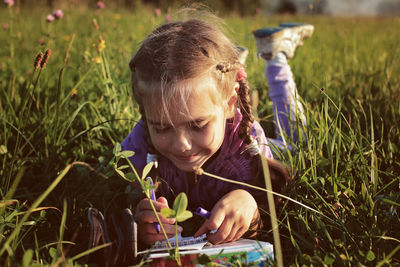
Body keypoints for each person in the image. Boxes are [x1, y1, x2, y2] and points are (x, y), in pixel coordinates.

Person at [87, 19, 313, 266]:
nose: (182, 145)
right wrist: (139, 220)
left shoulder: (247, 146)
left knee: (297, 141)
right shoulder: (139, 145)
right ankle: (226, 67)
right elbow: (116, 192)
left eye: (197, 125)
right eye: (161, 127)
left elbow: (275, 204)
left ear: (230, 102)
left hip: (257, 141)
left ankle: (275, 55)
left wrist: (250, 205)